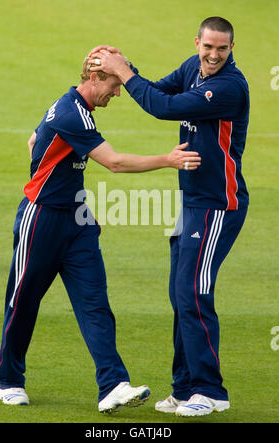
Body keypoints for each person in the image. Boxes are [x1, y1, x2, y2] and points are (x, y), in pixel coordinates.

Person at [0, 55, 201, 413]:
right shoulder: (71, 112)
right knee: (24, 300)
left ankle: (113, 384)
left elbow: (34, 141)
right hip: (40, 218)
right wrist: (168, 160)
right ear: (95, 76)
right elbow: (115, 162)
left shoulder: (75, 109)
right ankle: (10, 381)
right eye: (115, 85)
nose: (118, 94)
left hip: (77, 223)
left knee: (95, 305)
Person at [89, 16, 250, 417]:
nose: (213, 55)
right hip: (192, 203)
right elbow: (156, 90)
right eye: (208, 46)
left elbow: (163, 107)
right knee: (181, 296)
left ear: (231, 49)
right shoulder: (190, 68)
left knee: (194, 294)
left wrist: (123, 71)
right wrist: (123, 65)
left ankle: (211, 391)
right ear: (197, 42)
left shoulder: (229, 86)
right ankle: (183, 388)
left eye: (222, 49)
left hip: (218, 204)